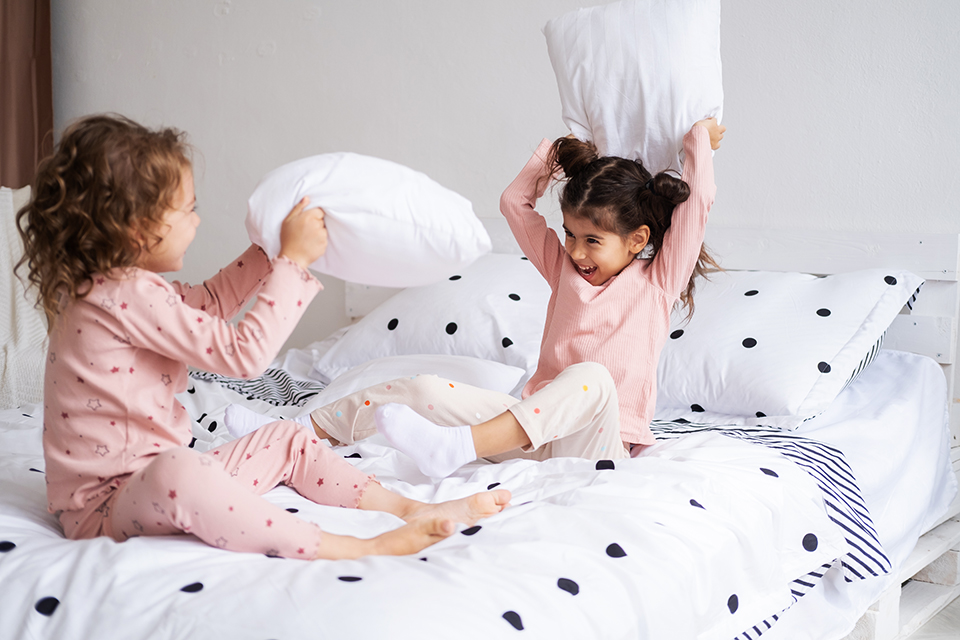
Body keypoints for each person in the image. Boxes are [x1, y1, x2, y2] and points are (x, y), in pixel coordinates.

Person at [16, 114, 510, 560]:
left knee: (288, 439)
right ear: (138, 230)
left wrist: (267, 250)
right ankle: (355, 547)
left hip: (143, 486)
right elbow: (242, 355)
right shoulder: (121, 296)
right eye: (187, 211)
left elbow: (207, 303)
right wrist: (292, 265)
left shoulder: (116, 289)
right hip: (105, 510)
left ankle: (406, 509)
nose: (197, 220)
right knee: (181, 473)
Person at [227, 118, 724, 479]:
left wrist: (698, 142)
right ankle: (290, 431)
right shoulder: (563, 269)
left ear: (637, 240)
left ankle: (458, 447)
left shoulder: (657, 281)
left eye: (592, 241)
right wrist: (555, 153)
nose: (575, 251)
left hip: (595, 445)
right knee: (420, 388)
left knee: (590, 378)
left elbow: (697, 205)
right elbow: (514, 203)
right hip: (524, 437)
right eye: (570, 234)